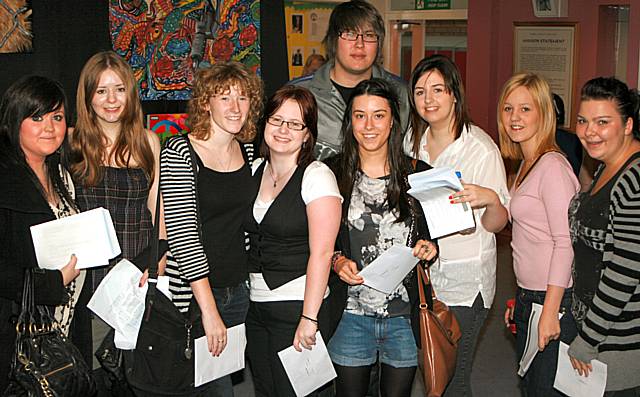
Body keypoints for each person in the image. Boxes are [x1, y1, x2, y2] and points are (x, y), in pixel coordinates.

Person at [324, 78, 437, 397]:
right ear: (349, 123)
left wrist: (430, 248)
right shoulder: (330, 173)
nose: (369, 125)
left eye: (378, 115)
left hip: (403, 316)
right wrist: (336, 260)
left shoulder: (418, 173)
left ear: (392, 122)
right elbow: (315, 238)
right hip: (348, 314)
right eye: (359, 115)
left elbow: (431, 237)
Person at [404, 54, 509, 396]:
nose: (428, 99)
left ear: (454, 94)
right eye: (420, 92)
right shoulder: (410, 142)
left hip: (465, 279)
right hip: (422, 274)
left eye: (438, 89)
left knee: (452, 377)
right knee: (430, 370)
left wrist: (491, 199)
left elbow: (496, 224)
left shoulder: (479, 148)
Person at [160, 61, 263, 394]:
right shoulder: (180, 151)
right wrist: (209, 309)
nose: (235, 107)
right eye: (224, 97)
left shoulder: (247, 150)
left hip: (239, 289)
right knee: (215, 390)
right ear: (206, 102)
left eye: (243, 98)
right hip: (197, 295)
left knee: (225, 384)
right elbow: (182, 232)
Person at [244, 85, 342, 396]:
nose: (284, 130)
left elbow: (323, 253)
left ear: (307, 134)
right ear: (265, 125)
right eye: (276, 120)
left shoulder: (317, 176)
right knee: (266, 390)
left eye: (295, 124)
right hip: (256, 306)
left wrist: (309, 318)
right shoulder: (256, 169)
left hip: (298, 307)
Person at [70, 51, 163, 373]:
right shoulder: (71, 143)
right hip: (86, 280)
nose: (111, 99)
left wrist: (156, 265)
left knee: (136, 375)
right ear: (88, 97)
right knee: (93, 373)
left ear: (131, 94)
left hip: (133, 278)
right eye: (101, 91)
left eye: (119, 89)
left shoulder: (148, 142)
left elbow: (158, 215)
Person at [498, 73, 579, 396]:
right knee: (532, 386)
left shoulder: (553, 167)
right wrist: (521, 299)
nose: (514, 118)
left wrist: (549, 310)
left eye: (525, 109)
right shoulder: (527, 163)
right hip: (531, 296)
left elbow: (565, 242)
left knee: (545, 390)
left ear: (544, 113)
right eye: (508, 109)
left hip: (553, 299)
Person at [0, 75, 82, 391]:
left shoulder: (59, 172)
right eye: (36, 117)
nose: (49, 127)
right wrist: (51, 282)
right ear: (14, 121)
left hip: (61, 331)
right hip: (15, 340)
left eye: (57, 117)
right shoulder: (6, 178)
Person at [568, 77, 640, 396]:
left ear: (627, 125)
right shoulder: (606, 165)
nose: (589, 132)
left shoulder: (633, 181)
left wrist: (588, 339)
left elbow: (623, 272)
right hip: (599, 334)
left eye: (602, 122)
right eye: (583, 121)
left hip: (617, 343)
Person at [292, 0, 410, 160]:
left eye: (369, 35)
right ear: (333, 40)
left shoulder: (401, 93)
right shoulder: (299, 93)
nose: (359, 44)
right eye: (350, 34)